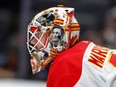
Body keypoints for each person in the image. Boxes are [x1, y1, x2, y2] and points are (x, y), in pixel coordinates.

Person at [27, 5, 116, 87]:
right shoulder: (83, 49)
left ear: (56, 36)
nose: (33, 42)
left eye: (38, 36)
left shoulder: (64, 64)